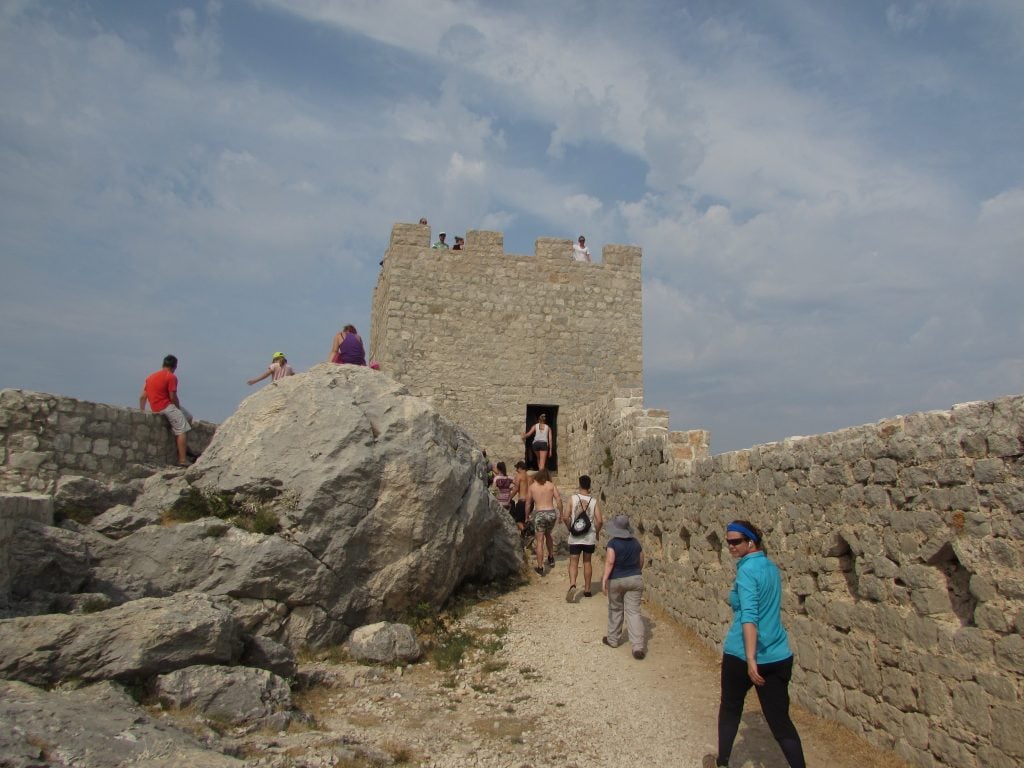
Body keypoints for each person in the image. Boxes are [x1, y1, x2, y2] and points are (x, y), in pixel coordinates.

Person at [703, 521, 806, 768]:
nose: (730, 546)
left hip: (743, 654)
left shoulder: (747, 572)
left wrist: (751, 659)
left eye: (736, 541)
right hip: (778, 653)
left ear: (751, 542)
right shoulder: (771, 568)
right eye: (728, 541)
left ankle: (723, 763)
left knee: (730, 708)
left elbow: (750, 616)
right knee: (781, 722)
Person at [601, 514, 645, 659]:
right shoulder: (636, 543)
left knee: (615, 609)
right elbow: (641, 560)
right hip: (635, 578)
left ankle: (613, 639)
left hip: (616, 579)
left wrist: (604, 580)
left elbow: (610, 562)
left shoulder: (613, 544)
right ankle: (638, 646)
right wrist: (636, 573)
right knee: (634, 612)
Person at [139, 354, 193, 466]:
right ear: (175, 367)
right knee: (182, 430)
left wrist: (142, 410)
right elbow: (172, 397)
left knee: (188, 417)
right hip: (166, 406)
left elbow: (143, 396)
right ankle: (183, 459)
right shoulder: (170, 377)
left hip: (155, 407)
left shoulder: (150, 377)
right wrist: (177, 409)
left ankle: (182, 445)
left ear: (163, 364)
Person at [564, 475, 602, 601]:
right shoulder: (594, 501)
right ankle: (587, 589)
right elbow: (599, 521)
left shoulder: (572, 499)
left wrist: (570, 528)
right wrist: (596, 532)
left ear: (579, 485)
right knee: (587, 562)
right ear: (589, 486)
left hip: (576, 536)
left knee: (573, 561)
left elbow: (565, 517)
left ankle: (572, 584)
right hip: (589, 536)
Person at [525, 467, 561, 576]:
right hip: (551, 513)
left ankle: (540, 567)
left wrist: (526, 516)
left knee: (539, 541)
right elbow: (558, 499)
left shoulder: (532, 487)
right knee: (548, 534)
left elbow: (528, 503)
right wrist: (561, 514)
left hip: (540, 514)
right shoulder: (551, 485)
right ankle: (550, 556)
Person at [509, 460, 530, 537]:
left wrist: (509, 498)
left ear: (520, 468)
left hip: (522, 502)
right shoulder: (529, 477)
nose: (516, 470)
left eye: (517, 468)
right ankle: (524, 539)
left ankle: (528, 534)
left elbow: (516, 489)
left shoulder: (519, 475)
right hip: (530, 503)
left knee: (517, 521)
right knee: (523, 521)